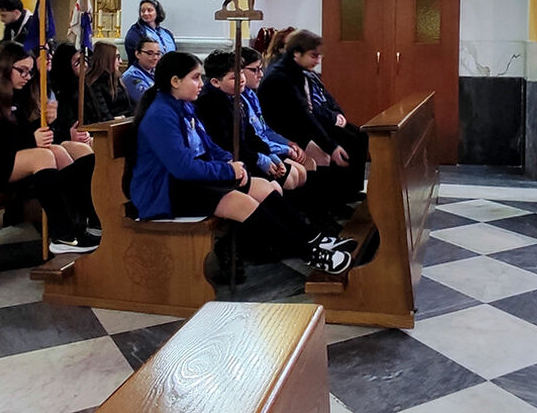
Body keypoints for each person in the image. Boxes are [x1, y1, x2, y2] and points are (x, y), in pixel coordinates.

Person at [131, 51, 352, 274]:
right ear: (175, 81)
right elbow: (183, 167)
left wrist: (233, 164)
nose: (201, 83)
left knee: (263, 187)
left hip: (191, 181)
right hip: (165, 190)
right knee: (240, 202)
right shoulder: (161, 115)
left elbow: (209, 146)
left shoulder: (183, 106)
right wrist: (228, 171)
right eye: (196, 77)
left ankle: (312, 238)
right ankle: (309, 254)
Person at [0, 42, 98, 253]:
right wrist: (32, 139)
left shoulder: (17, 95)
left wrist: (45, 122)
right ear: (5, 67)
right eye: (21, 70)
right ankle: (62, 235)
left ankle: (80, 223)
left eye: (30, 71)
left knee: (59, 151)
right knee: (42, 158)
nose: (27, 76)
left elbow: (20, 134)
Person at [258, 30, 368, 202]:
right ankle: (323, 207)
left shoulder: (293, 69)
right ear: (296, 53)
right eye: (313, 56)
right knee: (329, 151)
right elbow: (303, 116)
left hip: (297, 126)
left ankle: (344, 195)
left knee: (357, 136)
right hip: (285, 133)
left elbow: (309, 110)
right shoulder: (281, 76)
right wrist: (330, 146)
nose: (317, 61)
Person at [195, 50, 307, 193]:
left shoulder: (236, 97)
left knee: (289, 176)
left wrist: (267, 154)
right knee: (275, 187)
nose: (242, 79)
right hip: (231, 160)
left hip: (247, 154)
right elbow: (226, 144)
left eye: (241, 73)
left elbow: (249, 133)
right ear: (215, 82)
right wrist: (258, 159)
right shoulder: (210, 103)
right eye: (234, 77)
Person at [82, 42, 133, 124]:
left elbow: (129, 108)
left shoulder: (116, 78)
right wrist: (120, 118)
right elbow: (103, 116)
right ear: (106, 59)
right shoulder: (93, 84)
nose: (120, 61)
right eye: (117, 58)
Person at [123, 0, 177, 66]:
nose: (145, 13)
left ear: (157, 12)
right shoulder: (136, 32)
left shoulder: (166, 33)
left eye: (149, 10)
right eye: (142, 11)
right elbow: (135, 57)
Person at [121, 39, 160, 105]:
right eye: (150, 53)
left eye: (158, 54)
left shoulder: (155, 71)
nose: (155, 57)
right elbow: (148, 102)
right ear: (137, 54)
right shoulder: (132, 76)